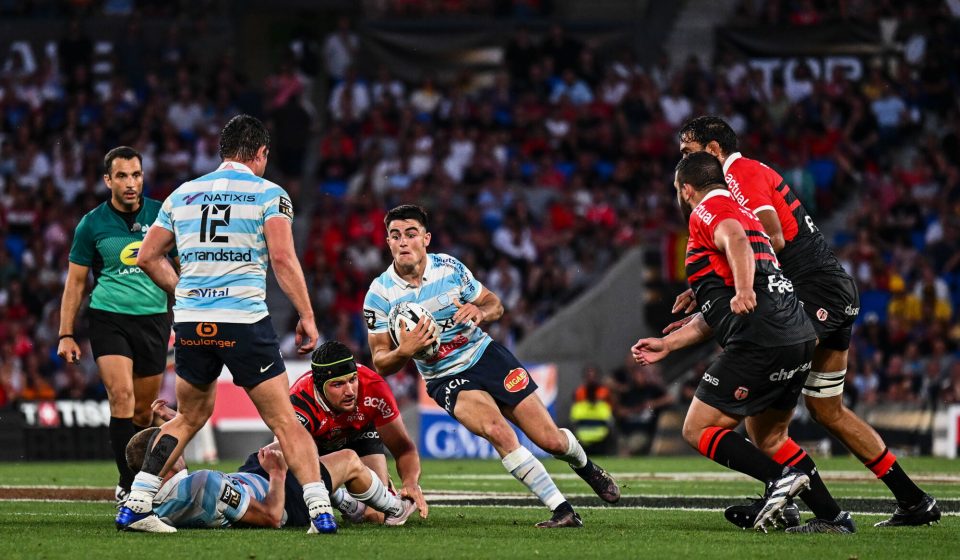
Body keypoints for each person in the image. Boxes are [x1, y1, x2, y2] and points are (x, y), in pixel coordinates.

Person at [670, 116, 940, 527]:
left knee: (764, 428)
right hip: (829, 292)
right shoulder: (745, 175)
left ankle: (786, 498)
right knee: (826, 411)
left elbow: (773, 237)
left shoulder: (738, 171)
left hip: (813, 293)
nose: (684, 161)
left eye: (689, 152)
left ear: (712, 150)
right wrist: (716, 275)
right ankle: (913, 500)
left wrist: (733, 273)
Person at [117, 114, 336, 535]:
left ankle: (137, 503)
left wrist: (183, 292)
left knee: (188, 417)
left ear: (223, 152)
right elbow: (284, 259)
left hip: (193, 322)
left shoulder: (183, 193)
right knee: (285, 422)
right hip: (243, 320)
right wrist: (307, 314)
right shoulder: (268, 193)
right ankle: (320, 512)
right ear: (260, 154)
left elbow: (146, 256)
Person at [632, 153, 854, 534]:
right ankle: (833, 518)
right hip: (797, 335)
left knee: (697, 428)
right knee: (770, 437)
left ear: (686, 189)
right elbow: (721, 310)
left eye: (677, 189)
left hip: (762, 339)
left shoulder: (708, 210)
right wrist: (671, 345)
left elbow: (734, 244)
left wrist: (744, 289)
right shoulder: (746, 214)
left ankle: (777, 483)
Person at [363, 204, 620, 529]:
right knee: (498, 431)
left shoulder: (450, 269)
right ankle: (563, 510)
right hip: (445, 376)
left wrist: (479, 312)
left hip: (487, 355)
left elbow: (495, 304)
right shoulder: (379, 294)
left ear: (426, 238)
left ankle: (587, 468)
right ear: (387, 242)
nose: (403, 242)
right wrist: (406, 350)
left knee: (551, 440)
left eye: (410, 234)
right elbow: (381, 361)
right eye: (395, 236)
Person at [58, 146, 176, 506]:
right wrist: (66, 333)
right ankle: (129, 485)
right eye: (122, 176)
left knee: (143, 411)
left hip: (154, 319)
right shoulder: (92, 224)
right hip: (109, 317)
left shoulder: (163, 215)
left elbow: (182, 268)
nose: (130, 183)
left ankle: (139, 478)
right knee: (120, 397)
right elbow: (76, 283)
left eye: (136, 175)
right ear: (108, 179)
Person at [236, 340, 426, 525]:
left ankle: (365, 494)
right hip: (315, 447)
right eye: (338, 384)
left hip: (359, 434)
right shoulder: (299, 402)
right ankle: (340, 498)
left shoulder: (373, 388)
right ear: (319, 385)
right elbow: (287, 457)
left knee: (374, 517)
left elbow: (403, 448)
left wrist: (410, 482)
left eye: (352, 380)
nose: (350, 391)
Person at [125, 424, 417, 529]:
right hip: (282, 498)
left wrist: (175, 420)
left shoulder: (144, 503)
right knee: (349, 460)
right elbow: (272, 517)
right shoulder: (202, 484)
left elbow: (182, 479)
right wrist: (277, 474)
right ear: (170, 459)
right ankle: (393, 508)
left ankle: (337, 496)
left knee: (293, 444)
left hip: (248, 479)